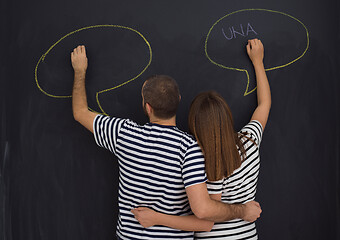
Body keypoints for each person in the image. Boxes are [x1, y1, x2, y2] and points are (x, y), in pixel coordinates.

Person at [70, 43, 262, 239]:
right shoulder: (191, 149)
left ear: (147, 107)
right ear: (179, 100)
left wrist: (79, 71)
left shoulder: (122, 134)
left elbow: (80, 112)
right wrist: (242, 211)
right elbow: (204, 218)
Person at [131, 38, 270, 240]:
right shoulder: (250, 140)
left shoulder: (205, 160)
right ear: (227, 115)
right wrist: (258, 62)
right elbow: (264, 104)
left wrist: (156, 218)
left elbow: (207, 215)